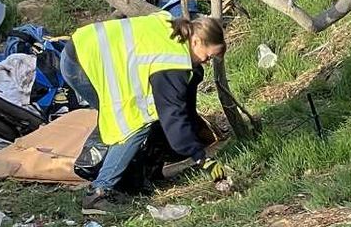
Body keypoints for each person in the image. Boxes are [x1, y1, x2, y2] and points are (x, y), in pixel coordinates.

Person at [66, 13, 229, 201]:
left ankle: (131, 176)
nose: (207, 62)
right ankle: (99, 192)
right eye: (208, 56)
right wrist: (201, 158)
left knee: (127, 119)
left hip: (83, 48)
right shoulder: (172, 64)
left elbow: (182, 108)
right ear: (196, 42)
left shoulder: (175, 29)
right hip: (84, 64)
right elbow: (173, 118)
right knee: (133, 124)